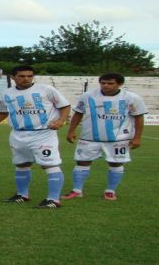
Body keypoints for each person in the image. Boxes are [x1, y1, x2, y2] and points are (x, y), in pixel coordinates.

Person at [0, 65, 70, 209]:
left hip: (43, 133)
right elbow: (3, 112)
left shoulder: (46, 90)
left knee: (49, 164)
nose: (26, 79)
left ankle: (54, 199)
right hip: (18, 134)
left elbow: (65, 105)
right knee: (21, 164)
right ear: (13, 77)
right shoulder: (6, 93)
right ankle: (22, 195)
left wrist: (61, 121)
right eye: (21, 76)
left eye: (29, 76)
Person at [62, 73, 147, 201]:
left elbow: (139, 118)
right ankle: (77, 190)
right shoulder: (88, 96)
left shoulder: (131, 98)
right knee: (82, 162)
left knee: (116, 163)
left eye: (110, 83)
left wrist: (137, 137)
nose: (106, 85)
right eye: (103, 83)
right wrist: (71, 131)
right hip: (89, 137)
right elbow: (78, 114)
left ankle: (110, 191)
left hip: (118, 139)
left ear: (120, 84)